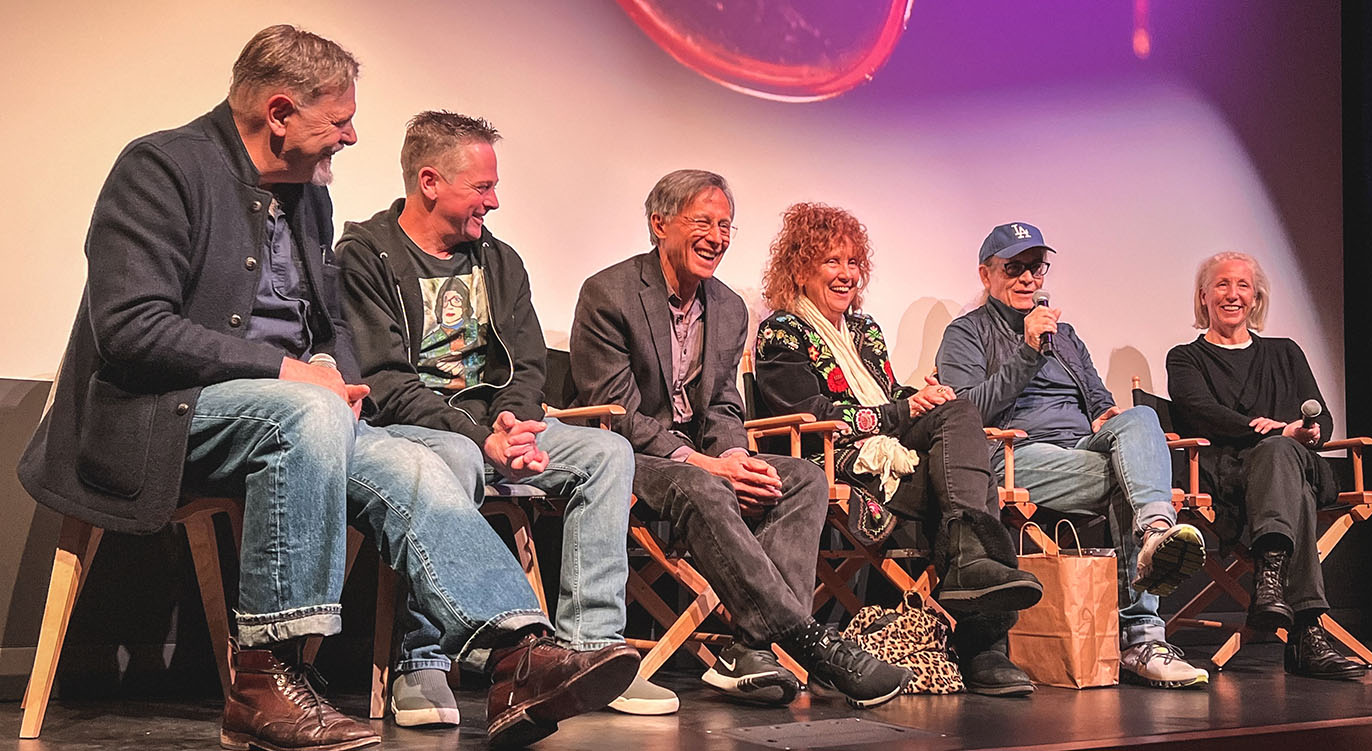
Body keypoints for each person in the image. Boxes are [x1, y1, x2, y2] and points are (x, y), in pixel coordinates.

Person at [17, 27, 635, 750]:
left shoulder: (308, 197)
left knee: (415, 460)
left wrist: (340, 380)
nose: (351, 135)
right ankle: (266, 680)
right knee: (304, 410)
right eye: (338, 120)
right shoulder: (160, 168)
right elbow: (129, 328)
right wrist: (287, 373)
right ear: (279, 113)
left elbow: (330, 323)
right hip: (159, 415)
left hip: (290, 420)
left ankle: (516, 655)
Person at [338, 110, 673, 720]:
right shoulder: (367, 254)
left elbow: (526, 364)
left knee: (606, 453)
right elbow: (382, 379)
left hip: (493, 429)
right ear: (430, 181)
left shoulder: (500, 260)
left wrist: (514, 423)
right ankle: (424, 663)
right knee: (454, 456)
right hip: (409, 431)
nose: (494, 200)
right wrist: (479, 436)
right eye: (482, 187)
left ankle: (589, 652)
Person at [570, 170, 912, 708]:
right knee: (698, 485)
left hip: (702, 455)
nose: (717, 236)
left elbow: (726, 403)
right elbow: (618, 413)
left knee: (802, 478)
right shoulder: (608, 293)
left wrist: (733, 454)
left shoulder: (728, 307)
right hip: (631, 456)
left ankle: (751, 652)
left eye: (726, 225)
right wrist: (706, 466)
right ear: (660, 224)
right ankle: (811, 641)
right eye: (702, 222)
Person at [752, 202, 1044, 696]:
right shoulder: (781, 332)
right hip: (834, 462)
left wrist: (919, 400)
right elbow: (814, 413)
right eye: (831, 262)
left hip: (886, 449)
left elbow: (887, 401)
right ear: (801, 268)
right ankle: (984, 648)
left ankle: (973, 572)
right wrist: (907, 411)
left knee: (958, 413)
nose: (846, 275)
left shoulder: (865, 331)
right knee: (976, 484)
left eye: (852, 263)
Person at [936, 221, 1210, 689]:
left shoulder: (1065, 335)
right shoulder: (966, 333)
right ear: (986, 274)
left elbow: (1099, 401)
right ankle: (1142, 637)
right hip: (1016, 456)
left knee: (1142, 421)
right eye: (1014, 268)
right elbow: (966, 413)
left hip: (1081, 448)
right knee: (1133, 477)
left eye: (1036, 268)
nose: (1028, 279)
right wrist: (1024, 351)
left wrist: (1107, 415)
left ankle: (1155, 532)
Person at [1165, 252, 1364, 680]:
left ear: (1255, 298)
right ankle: (1307, 633)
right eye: (1221, 284)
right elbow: (1198, 412)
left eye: (1242, 285)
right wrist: (1273, 433)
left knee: (1283, 459)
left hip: (1294, 466)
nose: (1232, 294)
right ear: (1203, 296)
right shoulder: (1184, 358)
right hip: (1230, 477)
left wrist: (1307, 433)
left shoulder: (1285, 352)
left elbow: (1322, 421)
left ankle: (1270, 578)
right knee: (1292, 484)